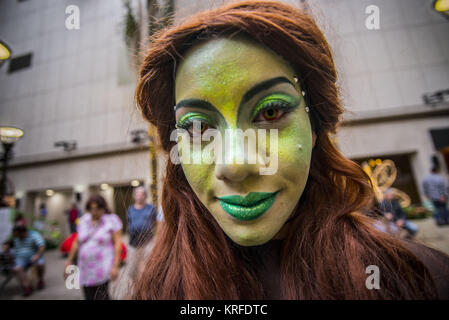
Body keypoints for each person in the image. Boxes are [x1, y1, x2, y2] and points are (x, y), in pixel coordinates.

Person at [131, 1, 449, 299]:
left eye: (270, 112)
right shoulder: (149, 286)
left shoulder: (420, 279)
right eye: (199, 128)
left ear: (313, 127)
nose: (235, 164)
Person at [64, 195, 122, 300]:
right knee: (89, 295)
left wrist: (115, 266)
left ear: (103, 208)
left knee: (102, 295)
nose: (94, 212)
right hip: (85, 267)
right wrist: (69, 260)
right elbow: (77, 242)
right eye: (91, 209)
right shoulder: (84, 220)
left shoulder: (111, 220)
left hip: (102, 266)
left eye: (97, 209)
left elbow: (117, 243)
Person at [12, 225, 46, 297]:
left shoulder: (34, 235)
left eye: (18, 235)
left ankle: (40, 280)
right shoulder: (16, 238)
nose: (17, 236)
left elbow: (42, 246)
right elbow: (15, 251)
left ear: (23, 232)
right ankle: (27, 287)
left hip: (34, 255)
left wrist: (37, 255)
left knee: (40, 264)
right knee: (17, 269)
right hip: (20, 258)